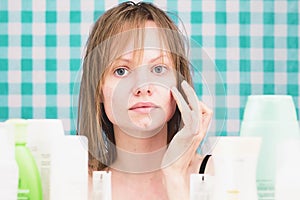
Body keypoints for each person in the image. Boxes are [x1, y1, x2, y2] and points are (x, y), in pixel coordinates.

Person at [77, 1, 213, 199]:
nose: (142, 87)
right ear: (99, 90)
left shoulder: (214, 174)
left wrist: (174, 175)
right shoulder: (76, 183)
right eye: (121, 71)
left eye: (158, 69)